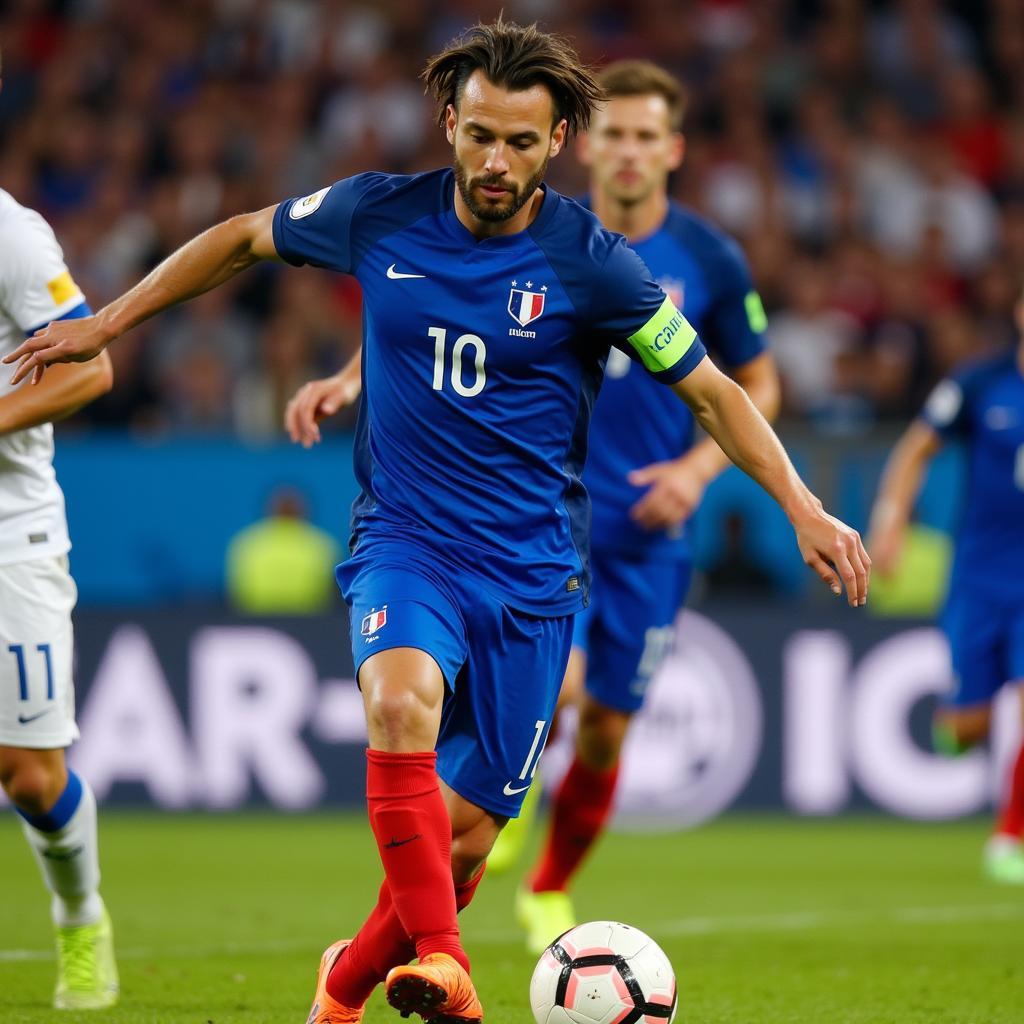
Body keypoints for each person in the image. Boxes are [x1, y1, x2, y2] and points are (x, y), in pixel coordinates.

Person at [7, 19, 869, 1024]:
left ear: (556, 146)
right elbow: (241, 235)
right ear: (449, 123)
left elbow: (715, 390)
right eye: (478, 135)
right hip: (406, 546)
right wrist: (109, 320)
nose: (493, 161)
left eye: (519, 142)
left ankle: (344, 985)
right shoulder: (380, 213)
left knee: (460, 846)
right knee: (400, 705)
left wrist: (802, 505)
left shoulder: (596, 265)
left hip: (534, 579)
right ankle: (452, 971)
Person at [487, 59, 783, 952]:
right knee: (562, 683)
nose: (628, 151)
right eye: (612, 133)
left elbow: (759, 381)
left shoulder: (710, 258)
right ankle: (508, 782)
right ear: (584, 144)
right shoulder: (530, 236)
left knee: (609, 731)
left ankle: (549, 887)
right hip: (550, 514)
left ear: (673, 150)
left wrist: (697, 473)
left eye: (646, 136)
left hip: (654, 532)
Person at [0, 44, 118, 1012]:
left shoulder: (11, 235)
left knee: (32, 775)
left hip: (11, 528)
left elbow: (91, 369)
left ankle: (80, 916)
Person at [868, 287, 1024, 885]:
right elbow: (917, 448)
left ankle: (1008, 835)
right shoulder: (980, 383)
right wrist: (890, 520)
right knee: (970, 726)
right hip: (981, 580)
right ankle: (955, 726)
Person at [225, 486, 340, 613]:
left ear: (269, 510)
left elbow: (236, 594)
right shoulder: (323, 544)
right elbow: (332, 594)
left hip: (256, 619)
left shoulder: (246, 542)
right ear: (304, 511)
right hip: (309, 619)